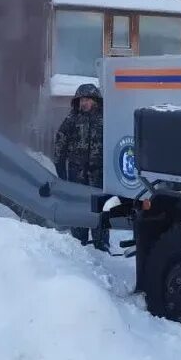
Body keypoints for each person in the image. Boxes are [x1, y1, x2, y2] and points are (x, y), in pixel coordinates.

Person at [54, 83, 109, 251]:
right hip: (77, 174)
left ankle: (101, 245)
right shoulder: (72, 119)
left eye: (86, 100)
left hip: (99, 174)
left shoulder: (106, 119)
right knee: (78, 208)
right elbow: (60, 142)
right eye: (80, 100)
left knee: (100, 210)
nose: (83, 103)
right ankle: (79, 247)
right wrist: (60, 168)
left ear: (95, 101)